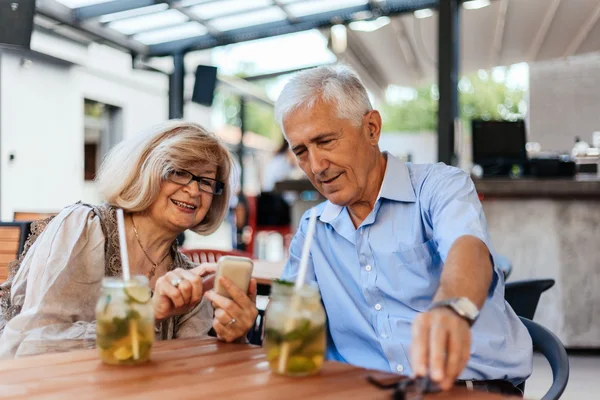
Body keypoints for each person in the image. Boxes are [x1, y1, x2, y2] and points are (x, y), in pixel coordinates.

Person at [274, 66, 532, 396]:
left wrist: (452, 308)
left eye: (325, 141)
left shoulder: (438, 187)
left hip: (466, 389)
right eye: (301, 151)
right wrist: (246, 321)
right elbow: (289, 343)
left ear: (371, 128)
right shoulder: (313, 230)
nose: (316, 165)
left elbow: (468, 251)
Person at [0, 121, 258, 358]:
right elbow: (27, 346)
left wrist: (233, 336)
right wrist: (147, 315)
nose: (193, 190)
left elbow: (189, 367)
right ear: (145, 171)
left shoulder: (188, 276)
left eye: (205, 181)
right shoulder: (85, 229)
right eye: (178, 172)